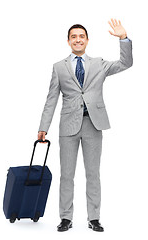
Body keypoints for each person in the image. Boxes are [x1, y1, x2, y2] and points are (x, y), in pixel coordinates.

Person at [38, 19, 133, 232]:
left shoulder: (99, 63)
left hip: (94, 125)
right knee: (67, 174)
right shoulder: (58, 67)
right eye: (74, 37)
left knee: (93, 173)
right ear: (68, 41)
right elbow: (51, 98)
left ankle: (94, 218)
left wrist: (123, 39)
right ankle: (65, 217)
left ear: (87, 40)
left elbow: (125, 64)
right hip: (68, 126)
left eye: (81, 36)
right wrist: (43, 126)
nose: (78, 39)